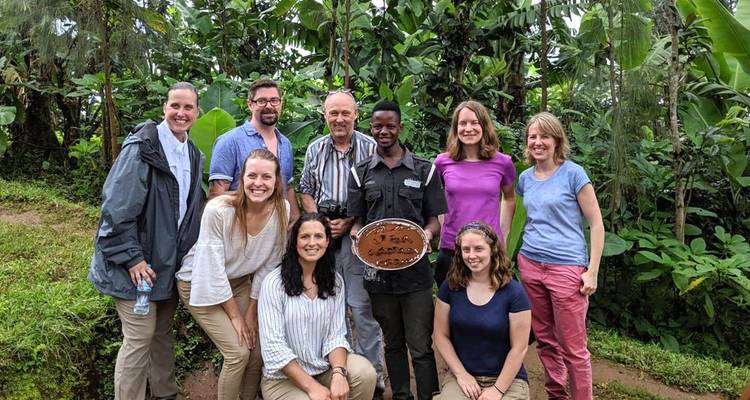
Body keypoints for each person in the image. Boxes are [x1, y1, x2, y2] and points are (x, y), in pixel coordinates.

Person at [88, 82, 205, 400]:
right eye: (175, 106)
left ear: (197, 113)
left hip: (166, 267)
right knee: (139, 337)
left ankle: (166, 394)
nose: (180, 113)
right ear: (164, 108)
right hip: (135, 268)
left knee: (161, 334)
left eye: (187, 107)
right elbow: (115, 209)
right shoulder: (142, 147)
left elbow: (188, 215)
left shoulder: (193, 154)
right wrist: (133, 258)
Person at [348, 100, 447, 400]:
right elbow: (357, 222)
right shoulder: (360, 172)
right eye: (378, 125)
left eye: (390, 125)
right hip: (378, 277)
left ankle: (428, 396)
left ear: (400, 127)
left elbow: (435, 219)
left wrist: (427, 235)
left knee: (420, 345)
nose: (383, 131)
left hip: (416, 276)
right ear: (371, 127)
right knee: (392, 343)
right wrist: (357, 238)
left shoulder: (424, 170)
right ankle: (401, 395)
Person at [175, 148, 289, 400]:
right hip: (199, 283)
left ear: (276, 180)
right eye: (252, 176)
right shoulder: (219, 210)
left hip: (238, 282)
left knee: (258, 347)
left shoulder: (282, 209)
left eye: (266, 177)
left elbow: (269, 265)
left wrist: (251, 313)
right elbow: (212, 270)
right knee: (238, 353)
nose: (258, 183)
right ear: (241, 178)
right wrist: (237, 318)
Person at [298, 90, 385, 397]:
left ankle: (373, 379)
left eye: (345, 113)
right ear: (325, 116)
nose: (339, 119)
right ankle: (338, 375)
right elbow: (306, 189)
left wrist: (350, 221)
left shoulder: (371, 147)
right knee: (327, 306)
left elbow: (378, 193)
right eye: (333, 113)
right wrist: (316, 221)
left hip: (357, 233)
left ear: (355, 115)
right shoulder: (315, 149)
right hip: (321, 235)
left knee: (361, 307)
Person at [516, 112, 604, 400]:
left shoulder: (574, 173)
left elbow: (596, 224)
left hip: (566, 268)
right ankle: (557, 394)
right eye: (532, 137)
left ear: (556, 140)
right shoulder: (525, 178)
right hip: (530, 265)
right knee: (545, 340)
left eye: (544, 136)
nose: (538, 142)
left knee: (573, 348)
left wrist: (592, 271)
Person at [258, 213, 377, 400]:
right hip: (282, 380)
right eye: (305, 236)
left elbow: (336, 335)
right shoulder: (274, 283)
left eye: (319, 236)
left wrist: (338, 373)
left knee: (365, 374)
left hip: (323, 369)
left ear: (328, 241)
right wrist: (313, 387)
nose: (312, 243)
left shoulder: (334, 281)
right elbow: (274, 348)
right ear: (294, 242)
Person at [433, 222, 531, 400]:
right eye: (466, 249)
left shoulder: (514, 292)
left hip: (507, 380)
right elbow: (440, 335)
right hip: (463, 376)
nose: (471, 256)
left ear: (493, 250)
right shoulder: (451, 287)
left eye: (478, 249)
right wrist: (461, 375)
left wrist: (498, 390)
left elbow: (520, 347)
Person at [434, 100, 517, 287]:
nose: (468, 128)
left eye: (474, 122)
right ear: (456, 128)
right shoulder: (442, 162)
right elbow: (436, 198)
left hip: (488, 249)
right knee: (449, 308)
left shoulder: (503, 163)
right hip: (452, 248)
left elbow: (509, 199)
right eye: (462, 123)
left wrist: (502, 236)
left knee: (488, 308)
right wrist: (443, 228)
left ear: (484, 126)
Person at [208, 78, 300, 224]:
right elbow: (216, 195)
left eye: (274, 100)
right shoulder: (230, 141)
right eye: (262, 101)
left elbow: (287, 187)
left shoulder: (285, 144)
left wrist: (295, 219)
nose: (269, 106)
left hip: (276, 233)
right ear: (250, 104)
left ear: (280, 104)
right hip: (239, 228)